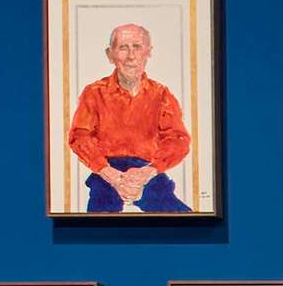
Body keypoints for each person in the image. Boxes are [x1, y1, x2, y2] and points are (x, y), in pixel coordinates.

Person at [67, 22, 192, 211]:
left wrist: (148, 172)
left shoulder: (161, 94)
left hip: (148, 172)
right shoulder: (94, 93)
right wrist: (110, 174)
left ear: (148, 52)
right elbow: (79, 137)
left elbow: (178, 139)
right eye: (123, 48)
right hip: (106, 174)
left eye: (137, 47)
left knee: (186, 221)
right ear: (110, 55)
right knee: (95, 231)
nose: (131, 56)